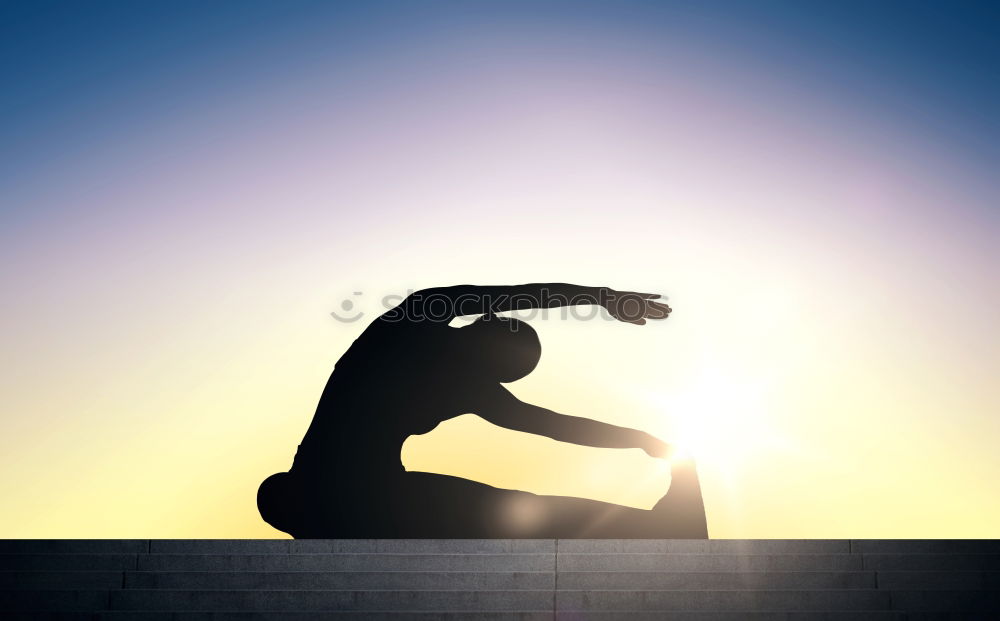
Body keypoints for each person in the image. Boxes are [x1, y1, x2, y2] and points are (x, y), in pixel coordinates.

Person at [258, 283, 707, 538]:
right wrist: (597, 295)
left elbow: (554, 426)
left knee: (512, 508)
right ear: (484, 324)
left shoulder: (464, 379)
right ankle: (656, 529)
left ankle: (655, 529)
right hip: (330, 494)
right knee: (512, 510)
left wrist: (647, 443)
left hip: (341, 495)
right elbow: (512, 294)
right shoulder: (412, 321)